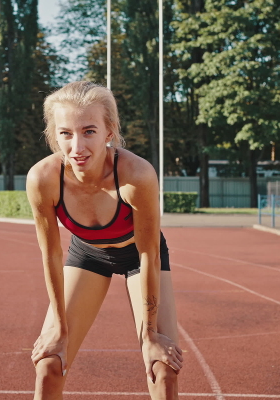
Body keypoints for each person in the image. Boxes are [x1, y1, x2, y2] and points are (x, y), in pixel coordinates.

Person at [25, 81, 183, 400]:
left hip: (140, 257)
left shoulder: (136, 175)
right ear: (54, 135)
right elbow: (51, 255)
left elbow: (149, 254)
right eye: (66, 133)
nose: (77, 147)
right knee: (48, 365)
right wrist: (58, 325)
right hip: (87, 256)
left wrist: (150, 334)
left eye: (89, 131)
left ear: (109, 132)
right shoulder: (43, 179)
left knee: (162, 370)